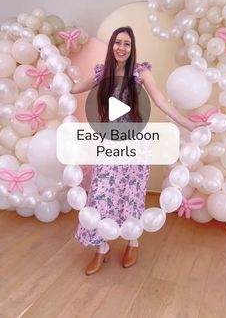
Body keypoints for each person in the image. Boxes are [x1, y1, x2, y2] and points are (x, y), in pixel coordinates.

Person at [71, 26, 205, 275]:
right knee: (101, 194)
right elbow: (75, 88)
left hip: (134, 145)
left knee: (131, 194)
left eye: (127, 44)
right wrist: (55, 82)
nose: (121, 47)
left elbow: (161, 101)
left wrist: (189, 124)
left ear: (132, 49)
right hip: (109, 145)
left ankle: (133, 242)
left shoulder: (140, 73)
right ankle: (102, 248)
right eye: (118, 42)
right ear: (112, 46)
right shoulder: (103, 74)